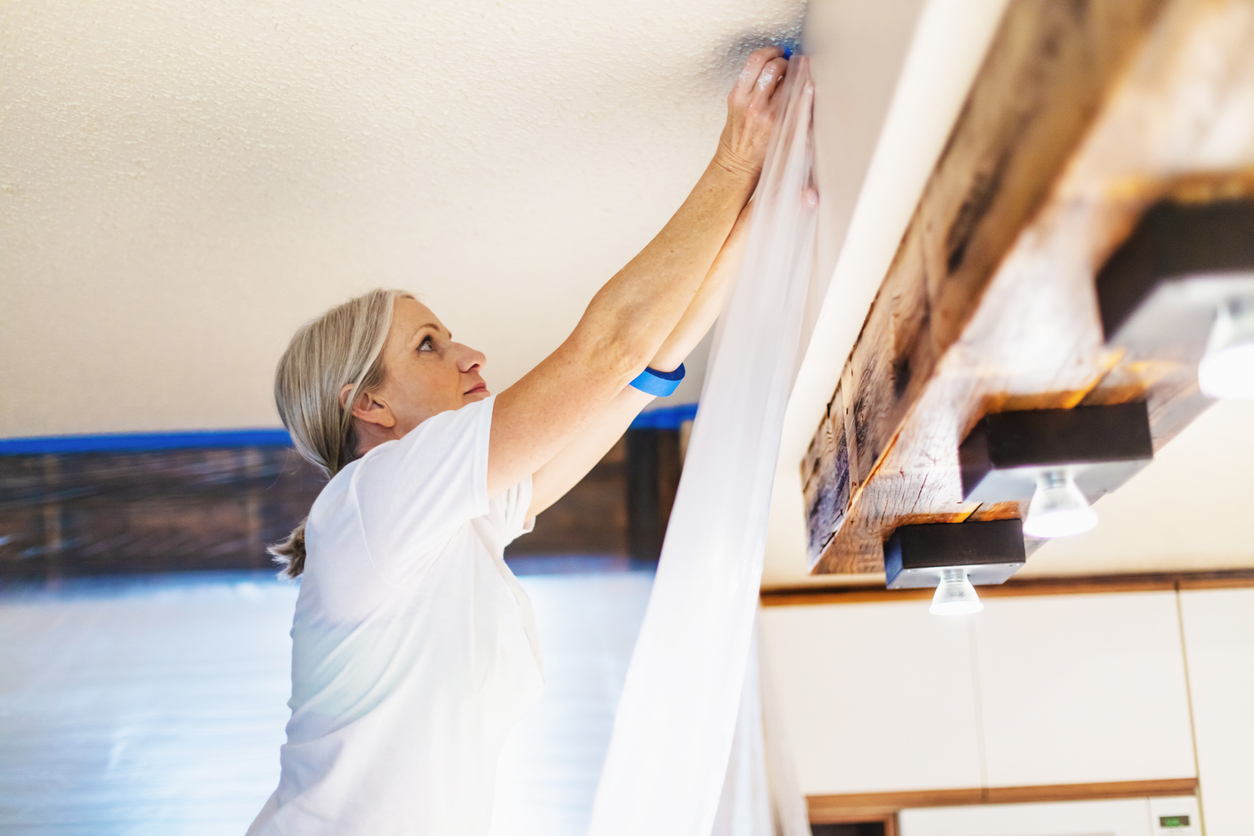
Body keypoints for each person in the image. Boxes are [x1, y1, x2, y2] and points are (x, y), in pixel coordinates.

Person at [246, 46, 791, 836]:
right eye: (430, 345)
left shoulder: (446, 526)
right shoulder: (373, 500)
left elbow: (633, 380)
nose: (472, 358)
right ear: (369, 403)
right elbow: (604, 353)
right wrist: (736, 158)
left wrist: (757, 217)